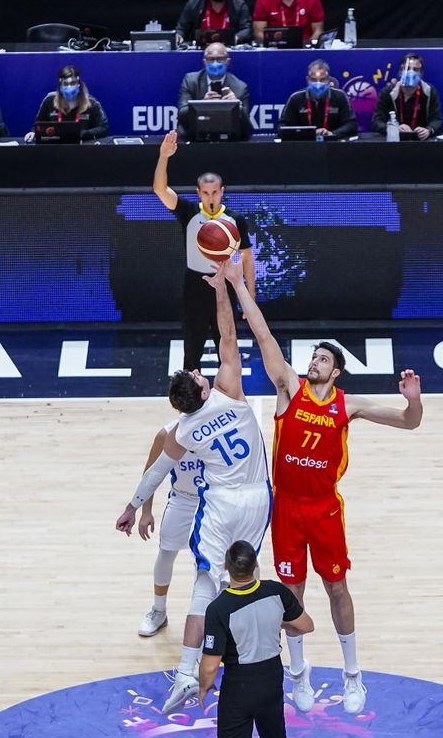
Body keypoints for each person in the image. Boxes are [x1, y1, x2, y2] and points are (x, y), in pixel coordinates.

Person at [224, 273, 421, 714]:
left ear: (336, 371)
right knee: (291, 595)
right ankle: (299, 674)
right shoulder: (288, 389)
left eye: (323, 359)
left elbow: (410, 423)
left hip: (325, 509)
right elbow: (262, 332)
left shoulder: (349, 406)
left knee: (336, 588)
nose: (314, 362)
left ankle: (353, 675)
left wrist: (413, 400)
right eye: (312, 357)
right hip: (288, 509)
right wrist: (237, 284)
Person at [115, 267, 271, 715]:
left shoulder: (180, 432)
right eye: (198, 375)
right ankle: (246, 650)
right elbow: (226, 333)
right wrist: (222, 289)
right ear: (203, 388)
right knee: (237, 578)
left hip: (220, 504)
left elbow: (156, 473)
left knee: (207, 583)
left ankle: (188, 673)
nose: (202, 372)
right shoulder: (230, 390)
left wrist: (132, 507)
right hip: (258, 501)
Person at [199, 540, 315, 738]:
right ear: (255, 567)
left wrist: (203, 689)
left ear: (226, 568)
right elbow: (307, 625)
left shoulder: (219, 609)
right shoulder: (276, 593)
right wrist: (272, 620)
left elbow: (210, 665)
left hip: (239, 688)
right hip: (271, 680)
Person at [151, 129, 257, 371]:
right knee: (192, 350)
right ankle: (192, 402)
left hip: (226, 284)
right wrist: (164, 156)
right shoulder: (189, 212)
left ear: (222, 191)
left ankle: (229, 399)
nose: (210, 197)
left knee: (228, 349)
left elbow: (247, 258)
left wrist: (250, 296)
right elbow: (159, 189)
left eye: (215, 192)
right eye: (205, 193)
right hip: (195, 285)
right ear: (198, 193)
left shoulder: (234, 219)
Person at [133, 420, 206, 637]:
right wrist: (146, 512)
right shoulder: (165, 435)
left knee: (204, 561)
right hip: (182, 499)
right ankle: (158, 610)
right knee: (166, 553)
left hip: (211, 499)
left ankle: (202, 617)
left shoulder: (213, 426)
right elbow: (150, 473)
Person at [176, 42, 252, 142]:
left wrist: (237, 106)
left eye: (219, 59)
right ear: (204, 61)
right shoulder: (190, 80)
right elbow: (181, 114)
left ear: (227, 61)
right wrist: (202, 105)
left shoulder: (240, 87)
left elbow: (247, 127)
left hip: (228, 140)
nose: (215, 63)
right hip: (196, 137)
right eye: (211, 59)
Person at [371, 53, 443, 141]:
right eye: (407, 69)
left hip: (421, 142)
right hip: (395, 141)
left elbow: (437, 119)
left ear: (421, 74)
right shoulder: (387, 92)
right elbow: (376, 121)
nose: (411, 73)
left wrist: (429, 130)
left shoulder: (429, 91)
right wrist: (393, 129)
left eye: (415, 69)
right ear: (400, 72)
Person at [279, 59, 357, 140]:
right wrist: (309, 134)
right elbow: (282, 127)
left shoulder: (340, 96)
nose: (318, 84)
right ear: (307, 80)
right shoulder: (295, 98)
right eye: (313, 80)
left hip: (333, 144)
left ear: (329, 80)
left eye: (322, 80)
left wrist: (332, 133)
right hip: (304, 145)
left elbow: (351, 124)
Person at [31, 64, 109, 141]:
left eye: (72, 83)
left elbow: (103, 128)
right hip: (55, 148)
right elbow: (38, 125)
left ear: (78, 84)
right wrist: (33, 132)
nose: (69, 87)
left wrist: (84, 134)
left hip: (83, 147)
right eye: (65, 84)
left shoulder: (92, 102)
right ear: (60, 84)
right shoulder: (49, 100)